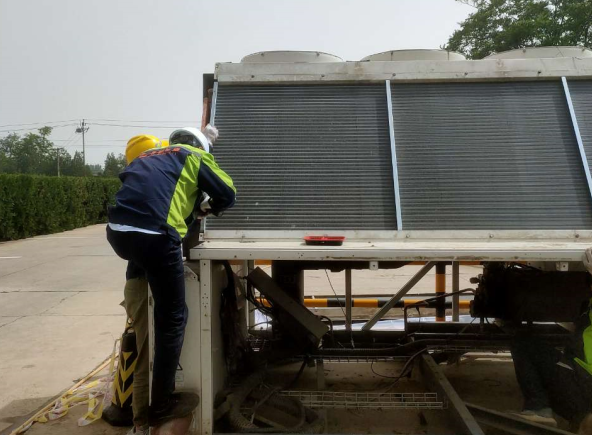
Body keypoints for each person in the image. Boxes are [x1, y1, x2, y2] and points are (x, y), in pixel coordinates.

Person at [107, 125, 235, 433]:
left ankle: (140, 420)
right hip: (154, 237)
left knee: (149, 298)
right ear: (204, 147)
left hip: (118, 235)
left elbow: (152, 195)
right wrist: (208, 206)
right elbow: (228, 194)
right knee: (173, 319)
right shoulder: (197, 156)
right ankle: (161, 404)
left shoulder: (149, 156)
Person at [509, 251, 592, 432]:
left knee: (524, 342)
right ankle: (555, 413)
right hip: (579, 395)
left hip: (583, 387)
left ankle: (539, 407)